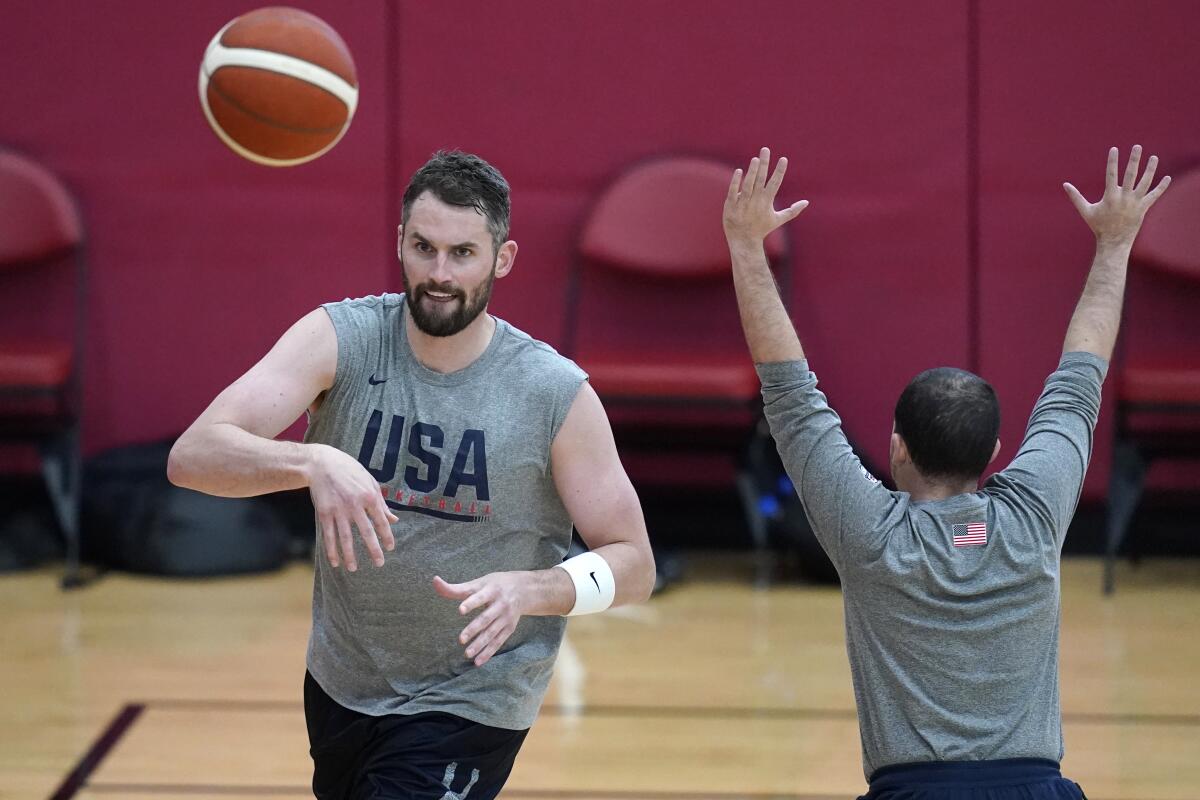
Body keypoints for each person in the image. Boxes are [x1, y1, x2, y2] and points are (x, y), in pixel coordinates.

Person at [168, 150, 656, 800]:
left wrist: (533, 590)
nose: (438, 273)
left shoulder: (552, 393)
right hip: (343, 682)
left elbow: (635, 565)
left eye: (462, 253)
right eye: (423, 247)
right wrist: (310, 459)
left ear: (502, 259)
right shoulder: (342, 340)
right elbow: (193, 455)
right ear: (399, 240)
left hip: (470, 697)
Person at [721, 146, 1169, 799]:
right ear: (994, 453)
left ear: (897, 448)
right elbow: (1080, 377)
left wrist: (744, 245)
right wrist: (1115, 242)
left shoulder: (866, 531)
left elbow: (789, 392)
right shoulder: (1035, 516)